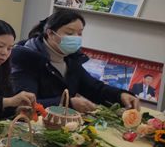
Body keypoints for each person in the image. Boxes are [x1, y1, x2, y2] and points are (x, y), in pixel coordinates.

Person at [10, 9, 139, 111]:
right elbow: (25, 104)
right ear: (50, 33)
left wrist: (120, 95)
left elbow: (94, 88)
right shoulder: (26, 58)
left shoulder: (71, 59)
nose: (76, 38)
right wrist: (67, 103)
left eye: (80, 33)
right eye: (69, 33)